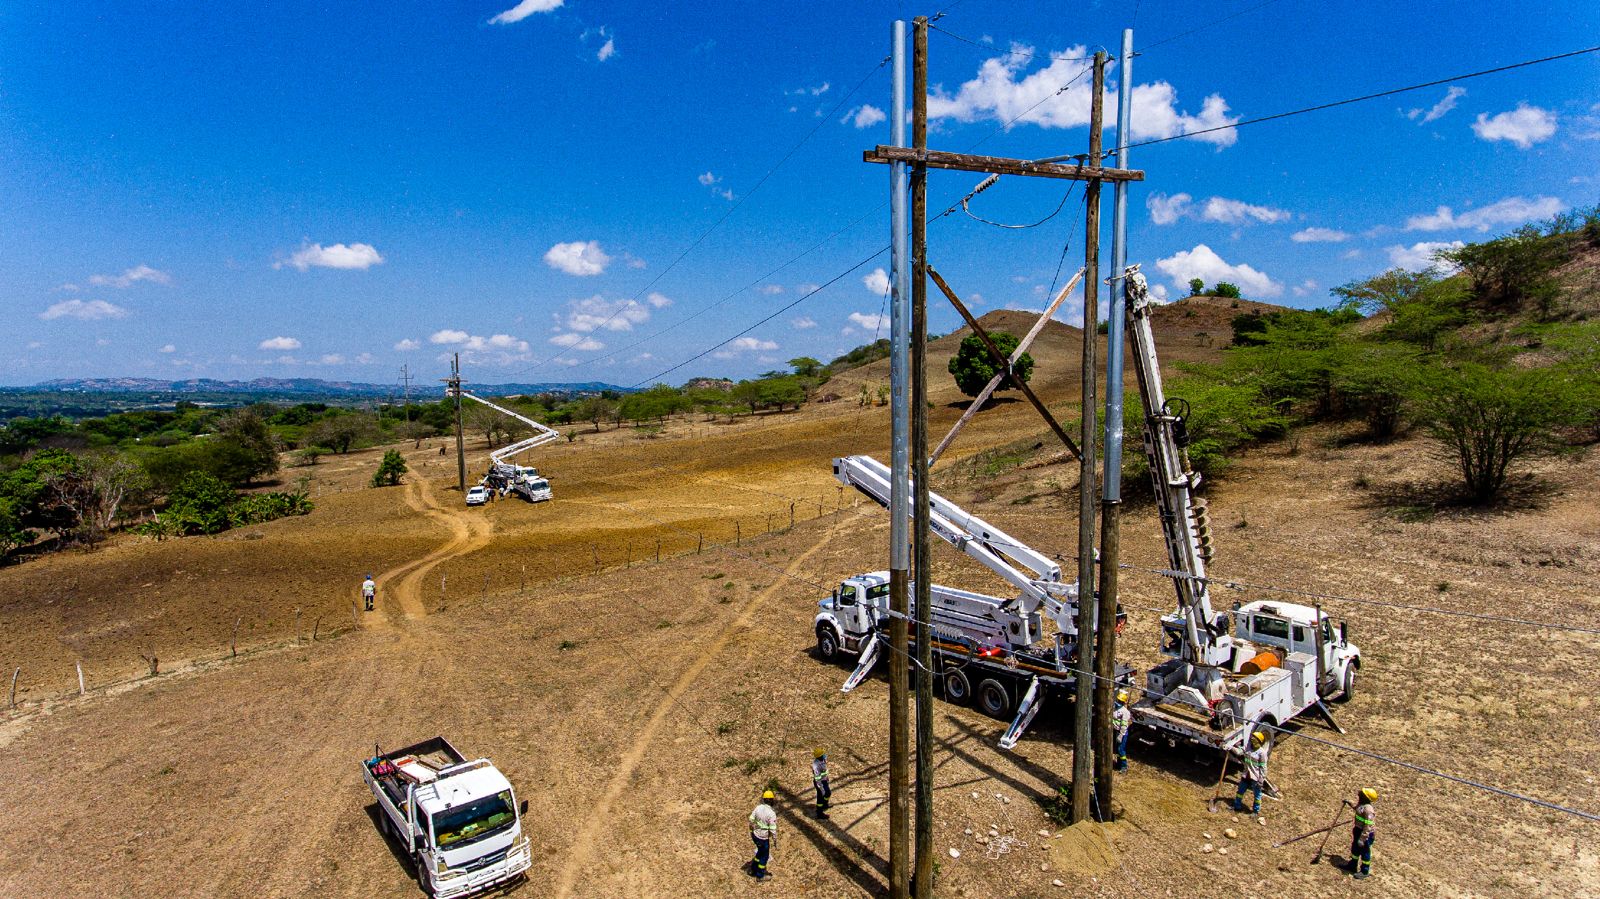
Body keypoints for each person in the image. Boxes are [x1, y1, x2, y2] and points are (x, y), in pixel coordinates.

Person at [1232, 730, 1271, 814]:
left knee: (1257, 795)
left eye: (1254, 738)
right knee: (1240, 792)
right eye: (1252, 737)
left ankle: (1255, 811)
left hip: (1255, 777)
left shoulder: (1262, 753)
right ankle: (1237, 806)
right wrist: (1231, 747)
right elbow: (1239, 752)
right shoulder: (1248, 747)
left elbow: (1263, 768)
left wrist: (1261, 780)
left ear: (1259, 741)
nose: (1252, 739)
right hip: (1246, 775)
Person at [1348, 787, 1378, 879]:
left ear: (1366, 797)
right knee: (1355, 849)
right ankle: (1353, 865)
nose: (1359, 794)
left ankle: (1364, 871)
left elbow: (1368, 826)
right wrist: (1350, 804)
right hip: (1358, 830)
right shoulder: (1362, 804)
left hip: (1365, 834)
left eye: (1362, 794)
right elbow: (1357, 809)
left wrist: (1362, 838)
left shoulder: (1369, 810)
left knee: (1365, 852)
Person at [748, 790, 778, 881]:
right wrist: (775, 839)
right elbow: (773, 829)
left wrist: (751, 830)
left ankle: (753, 869)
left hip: (755, 835)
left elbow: (751, 819)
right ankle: (760, 875)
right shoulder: (771, 814)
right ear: (772, 800)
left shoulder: (758, 807)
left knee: (760, 852)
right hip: (763, 838)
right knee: (764, 856)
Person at [1112, 690, 1133, 771]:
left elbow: (1124, 726)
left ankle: (1123, 766)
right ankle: (1118, 764)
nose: (1118, 702)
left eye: (1120, 701)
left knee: (1121, 750)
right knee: (1117, 749)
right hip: (1115, 731)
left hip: (1122, 733)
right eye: (1118, 700)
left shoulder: (1125, 712)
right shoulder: (1115, 708)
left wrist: (1121, 735)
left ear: (1123, 702)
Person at [811, 749, 832, 819]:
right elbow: (817, 777)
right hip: (819, 782)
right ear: (819, 756)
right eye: (822, 754)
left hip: (824, 780)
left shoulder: (822, 759)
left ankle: (825, 805)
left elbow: (824, 767)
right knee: (820, 797)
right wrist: (821, 788)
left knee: (828, 793)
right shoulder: (815, 765)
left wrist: (826, 777)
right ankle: (819, 813)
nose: (824, 755)